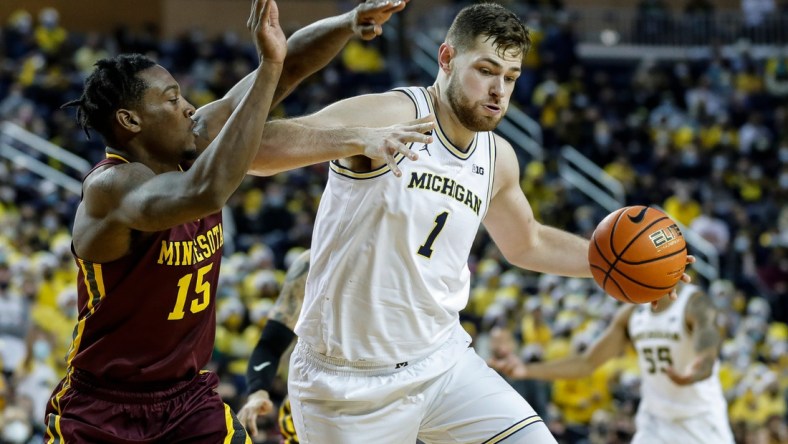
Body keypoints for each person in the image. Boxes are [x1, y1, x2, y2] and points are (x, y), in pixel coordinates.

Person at [255, 3, 686, 443]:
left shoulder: (497, 158)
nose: (499, 90)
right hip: (346, 382)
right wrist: (356, 137)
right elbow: (257, 151)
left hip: (442, 365)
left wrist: (625, 269)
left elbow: (529, 243)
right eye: (486, 70)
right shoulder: (391, 114)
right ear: (446, 58)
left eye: (511, 77)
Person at [45, 1, 432, 442]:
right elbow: (205, 192)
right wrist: (267, 67)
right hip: (103, 407)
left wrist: (346, 23)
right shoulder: (111, 188)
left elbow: (285, 68)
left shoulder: (195, 140)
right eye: (172, 100)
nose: (190, 107)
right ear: (131, 120)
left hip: (186, 399)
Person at [489, 284, 734, 444]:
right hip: (655, 423)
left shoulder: (694, 303)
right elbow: (587, 363)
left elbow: (708, 353)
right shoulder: (633, 314)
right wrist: (527, 370)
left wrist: (693, 373)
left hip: (701, 418)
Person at [237, 249, 310, 441]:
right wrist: (257, 391)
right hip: (320, 397)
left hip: (392, 386)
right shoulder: (313, 263)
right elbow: (270, 344)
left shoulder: (397, 257)